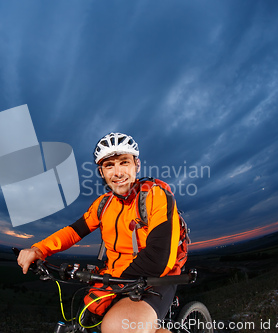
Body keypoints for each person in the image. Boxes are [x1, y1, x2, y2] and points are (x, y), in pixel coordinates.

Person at [17, 132, 183, 333]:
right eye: (109, 165)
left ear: (136, 165)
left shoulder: (155, 196)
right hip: (112, 278)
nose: (118, 172)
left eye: (124, 162)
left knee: (119, 327)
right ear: (101, 172)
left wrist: (112, 285)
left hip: (155, 279)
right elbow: (74, 231)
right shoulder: (103, 205)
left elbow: (159, 257)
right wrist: (39, 250)